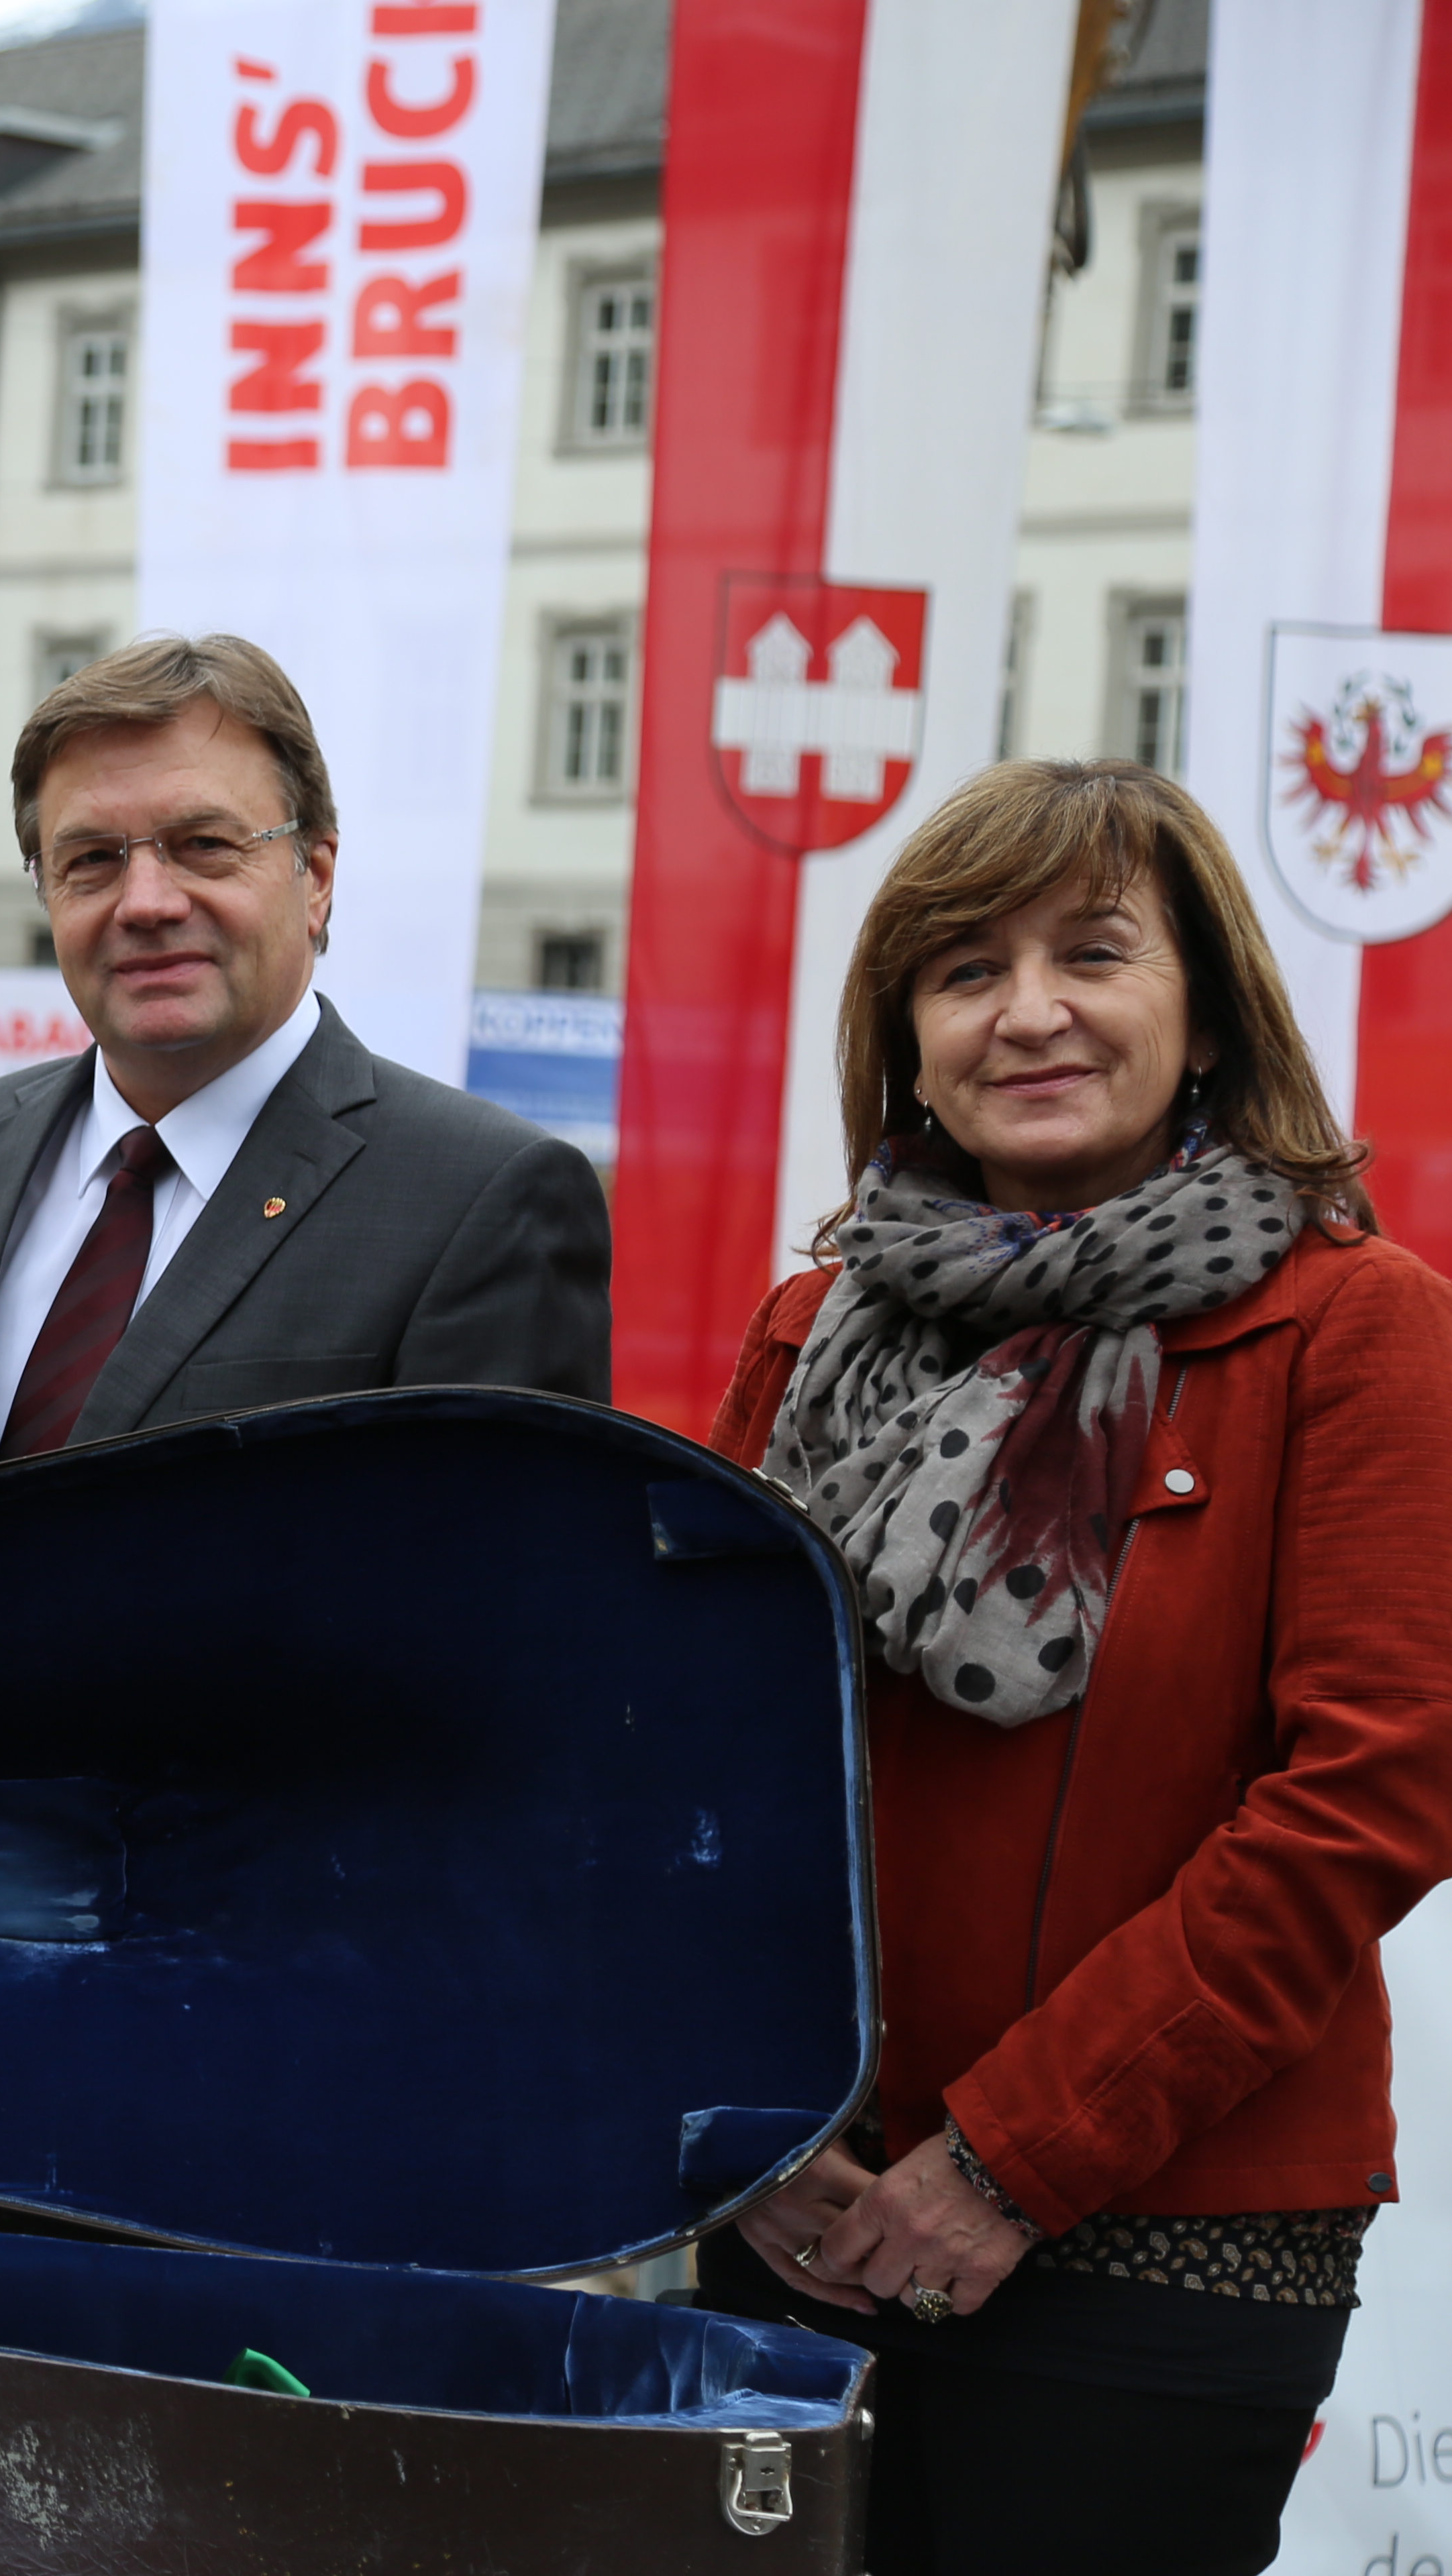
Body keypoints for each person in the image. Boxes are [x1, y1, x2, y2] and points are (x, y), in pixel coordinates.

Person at [696, 759, 1452, 2576]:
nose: (1026, 1011)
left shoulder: (1355, 1330)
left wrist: (1011, 2159)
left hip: (1165, 2238)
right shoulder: (807, 1328)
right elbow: (692, 1759)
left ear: (1202, 1016)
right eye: (962, 970)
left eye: (1092, 954)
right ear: (909, 1039)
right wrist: (752, 2130)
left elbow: (1370, 1796)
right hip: (800, 2214)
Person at [0, 634, 609, 1480]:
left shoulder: (480, 1199)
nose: (147, 903)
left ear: (314, 876)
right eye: (91, 860)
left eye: (204, 844)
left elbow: (496, 1593)